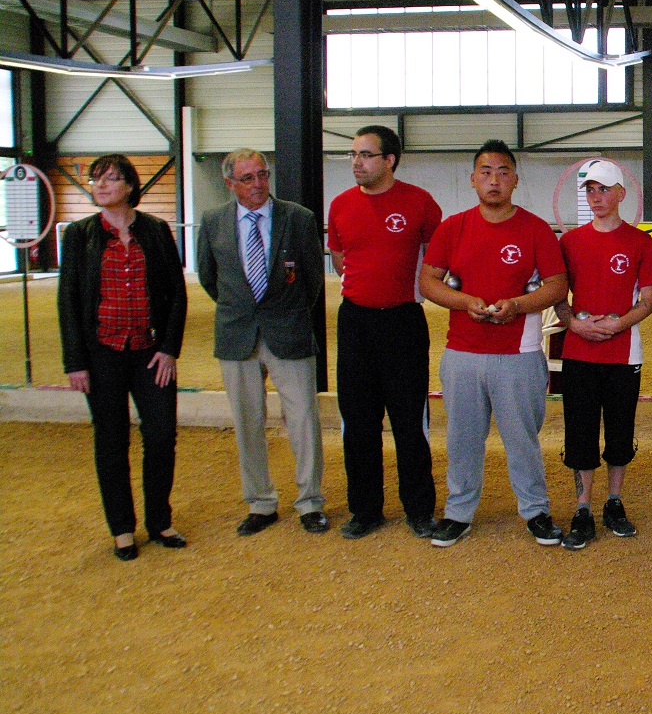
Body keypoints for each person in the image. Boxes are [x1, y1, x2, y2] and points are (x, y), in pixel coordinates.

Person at [419, 140, 569, 548]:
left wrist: (518, 305)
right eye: (485, 171)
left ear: (515, 180)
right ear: (472, 179)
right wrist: (466, 302)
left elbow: (558, 285)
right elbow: (428, 280)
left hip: (518, 356)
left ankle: (536, 511)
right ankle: (458, 512)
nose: (494, 180)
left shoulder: (536, 229)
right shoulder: (453, 228)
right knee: (463, 438)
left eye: (503, 171)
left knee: (523, 439)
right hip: (462, 354)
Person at [58, 154, 188, 560]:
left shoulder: (155, 230)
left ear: (130, 186)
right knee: (111, 441)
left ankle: (159, 521)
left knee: (162, 435)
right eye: (97, 180)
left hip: (151, 355)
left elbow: (175, 296)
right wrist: (75, 361)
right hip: (102, 356)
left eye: (111, 179)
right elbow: (69, 301)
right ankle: (122, 529)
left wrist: (169, 348)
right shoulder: (80, 236)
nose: (101, 186)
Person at [197, 148, 329, 535]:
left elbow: (312, 281)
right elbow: (210, 277)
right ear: (229, 183)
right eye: (248, 178)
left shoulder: (298, 218)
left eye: (262, 175)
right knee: (247, 421)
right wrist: (241, 308)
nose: (258, 184)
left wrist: (286, 313)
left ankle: (310, 501)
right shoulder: (212, 221)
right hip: (236, 334)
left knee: (304, 418)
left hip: (288, 332)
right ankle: (260, 501)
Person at [326, 125, 443, 540]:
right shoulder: (339, 206)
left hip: (403, 323)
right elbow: (340, 261)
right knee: (358, 421)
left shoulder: (420, 203)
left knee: (409, 422)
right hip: (355, 323)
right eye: (353, 155)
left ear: (389, 160)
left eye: (365, 155)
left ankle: (419, 509)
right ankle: (366, 510)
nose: (356, 163)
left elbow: (438, 260)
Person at [554, 159, 652, 549]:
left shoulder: (639, 243)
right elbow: (556, 296)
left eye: (604, 190)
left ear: (621, 193)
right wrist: (574, 324)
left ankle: (613, 502)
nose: (597, 197)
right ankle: (583, 506)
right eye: (590, 190)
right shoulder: (570, 243)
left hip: (623, 355)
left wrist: (618, 325)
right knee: (580, 431)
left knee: (619, 432)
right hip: (579, 354)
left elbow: (648, 299)